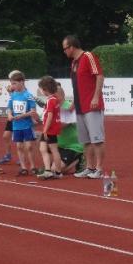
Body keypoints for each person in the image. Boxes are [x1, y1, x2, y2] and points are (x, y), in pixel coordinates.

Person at [62, 35, 105, 179]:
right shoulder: (74, 63)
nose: (64, 52)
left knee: (97, 139)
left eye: (65, 49)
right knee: (85, 141)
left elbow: (99, 76)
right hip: (80, 107)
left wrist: (96, 97)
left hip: (91, 106)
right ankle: (89, 167)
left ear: (72, 47)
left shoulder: (88, 56)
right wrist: (74, 103)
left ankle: (99, 169)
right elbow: (77, 86)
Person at [7, 70, 38, 177]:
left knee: (29, 146)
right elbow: (9, 108)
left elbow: (33, 111)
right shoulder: (13, 96)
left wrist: (21, 116)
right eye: (12, 84)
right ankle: (23, 167)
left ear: (22, 82)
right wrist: (9, 115)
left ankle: (33, 166)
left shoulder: (28, 95)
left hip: (27, 125)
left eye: (14, 83)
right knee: (19, 146)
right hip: (16, 126)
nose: (13, 86)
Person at [36, 75, 64, 179]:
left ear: (45, 89)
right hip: (52, 128)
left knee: (53, 149)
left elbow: (50, 116)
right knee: (43, 148)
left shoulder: (50, 100)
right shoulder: (54, 99)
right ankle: (48, 170)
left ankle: (57, 172)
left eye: (41, 89)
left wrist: (45, 130)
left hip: (50, 129)